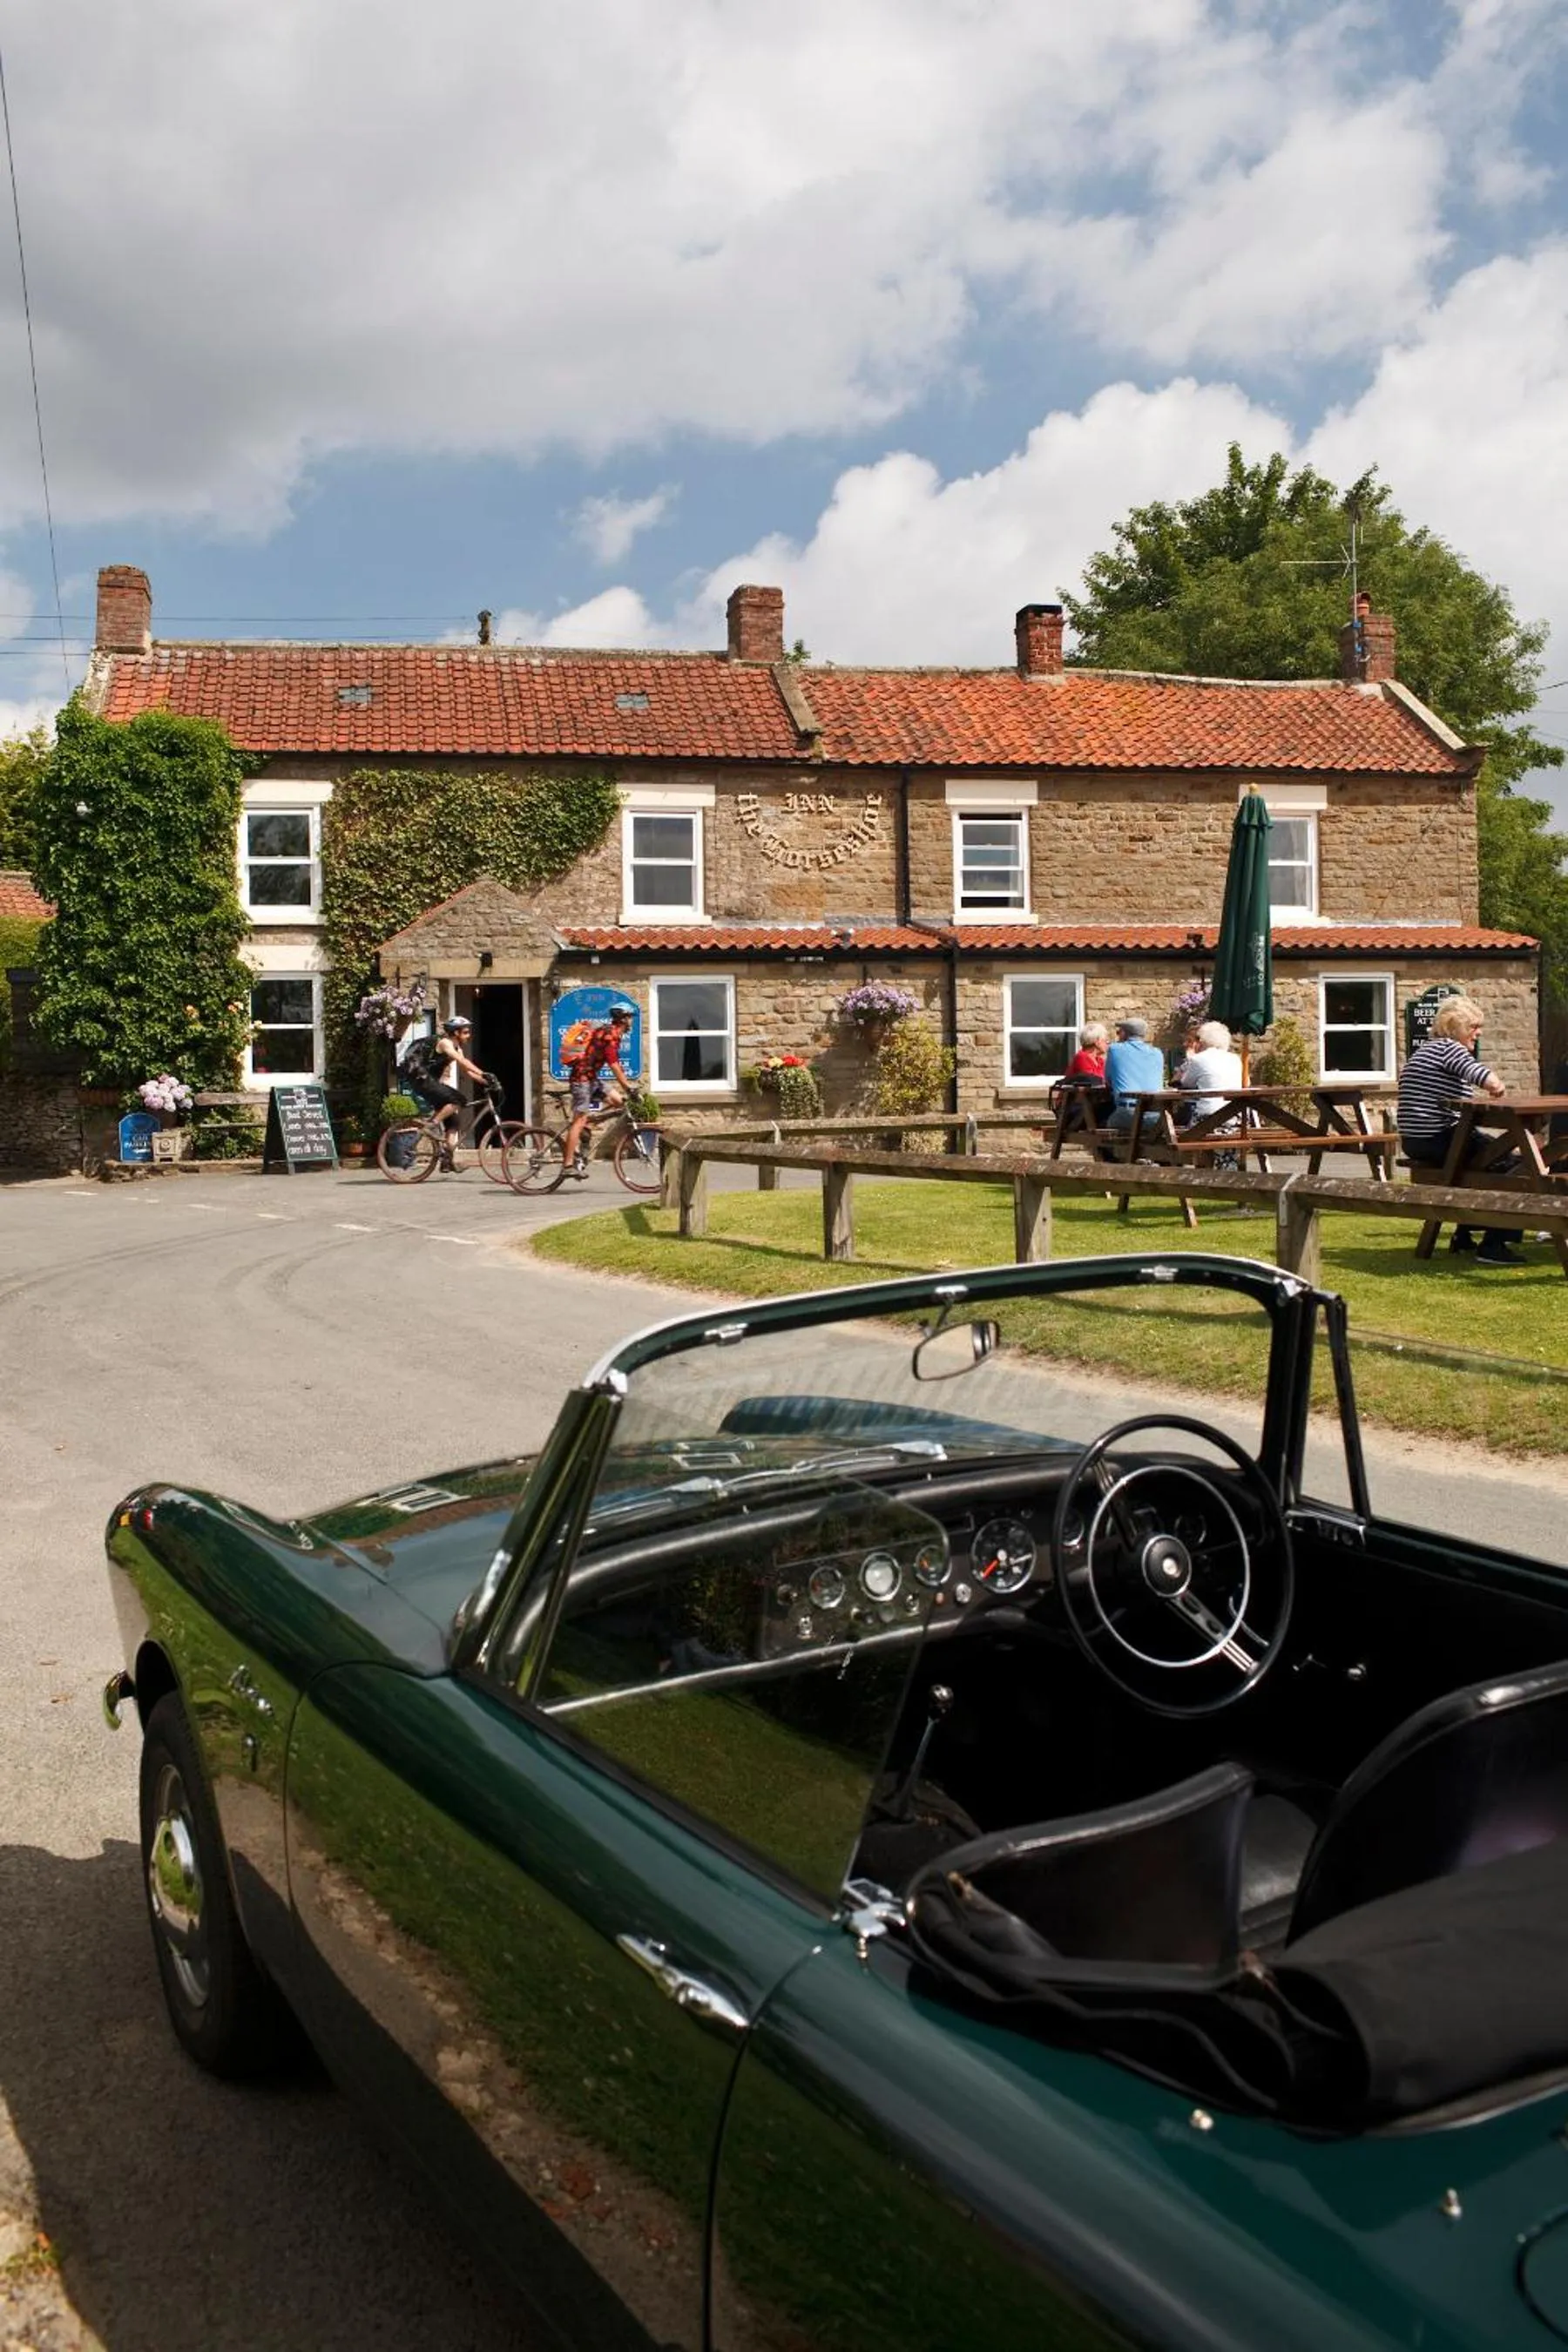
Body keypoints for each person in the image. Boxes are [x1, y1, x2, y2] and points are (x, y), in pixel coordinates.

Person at [1397, 995, 1521, 1265]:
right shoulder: (1449, 1048)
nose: (1479, 1033)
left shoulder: (1424, 1051)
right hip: (1441, 1136)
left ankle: (1463, 1236)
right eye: (1474, 1026)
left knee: (1483, 1165)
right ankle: (1494, 1244)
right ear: (1455, 1026)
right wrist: (1497, 1086)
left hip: (1416, 1139)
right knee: (1515, 1168)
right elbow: (1484, 1077)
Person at [403, 1015, 487, 1169]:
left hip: (430, 1082)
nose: (469, 1035)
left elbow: (467, 1072)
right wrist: (484, 1073)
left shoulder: (457, 1048)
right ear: (456, 1033)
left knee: (454, 1122)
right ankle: (431, 1125)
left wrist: (487, 1081)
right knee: (457, 1100)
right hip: (422, 1080)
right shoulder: (445, 1043)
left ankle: (448, 1161)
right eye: (466, 1032)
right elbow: (463, 1062)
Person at [563, 1002, 634, 1177]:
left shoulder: (611, 1032)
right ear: (623, 1019)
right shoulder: (610, 1035)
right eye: (630, 1017)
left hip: (592, 1079)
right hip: (581, 1080)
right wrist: (628, 1087)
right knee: (578, 1121)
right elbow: (614, 1064)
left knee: (618, 1102)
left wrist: (625, 1090)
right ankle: (568, 1166)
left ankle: (589, 1123)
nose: (632, 1021)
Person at [1103, 1015, 1166, 1149]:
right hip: (1157, 1116)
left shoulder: (1115, 1050)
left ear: (1124, 1033)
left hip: (1128, 1113)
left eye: (1119, 1032)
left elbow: (1107, 1080)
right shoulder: (1157, 1052)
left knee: (1101, 1127)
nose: (1118, 1035)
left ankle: (1114, 1165)